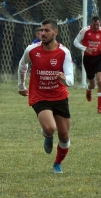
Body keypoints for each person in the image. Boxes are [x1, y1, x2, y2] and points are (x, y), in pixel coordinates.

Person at [18, 19, 74, 174]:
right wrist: (21, 86)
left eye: (47, 30)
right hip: (39, 95)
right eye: (41, 30)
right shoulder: (32, 50)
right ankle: (47, 134)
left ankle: (57, 163)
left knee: (64, 135)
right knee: (50, 128)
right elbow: (22, 65)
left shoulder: (64, 52)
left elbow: (70, 80)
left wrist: (63, 78)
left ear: (55, 32)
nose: (43, 33)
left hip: (59, 96)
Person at [73, 16, 101, 114]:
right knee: (93, 84)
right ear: (92, 24)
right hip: (88, 59)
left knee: (100, 81)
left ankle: (100, 107)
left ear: (100, 23)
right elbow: (75, 42)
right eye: (94, 25)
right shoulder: (85, 31)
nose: (96, 27)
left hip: (99, 58)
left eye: (98, 25)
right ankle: (88, 89)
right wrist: (85, 48)